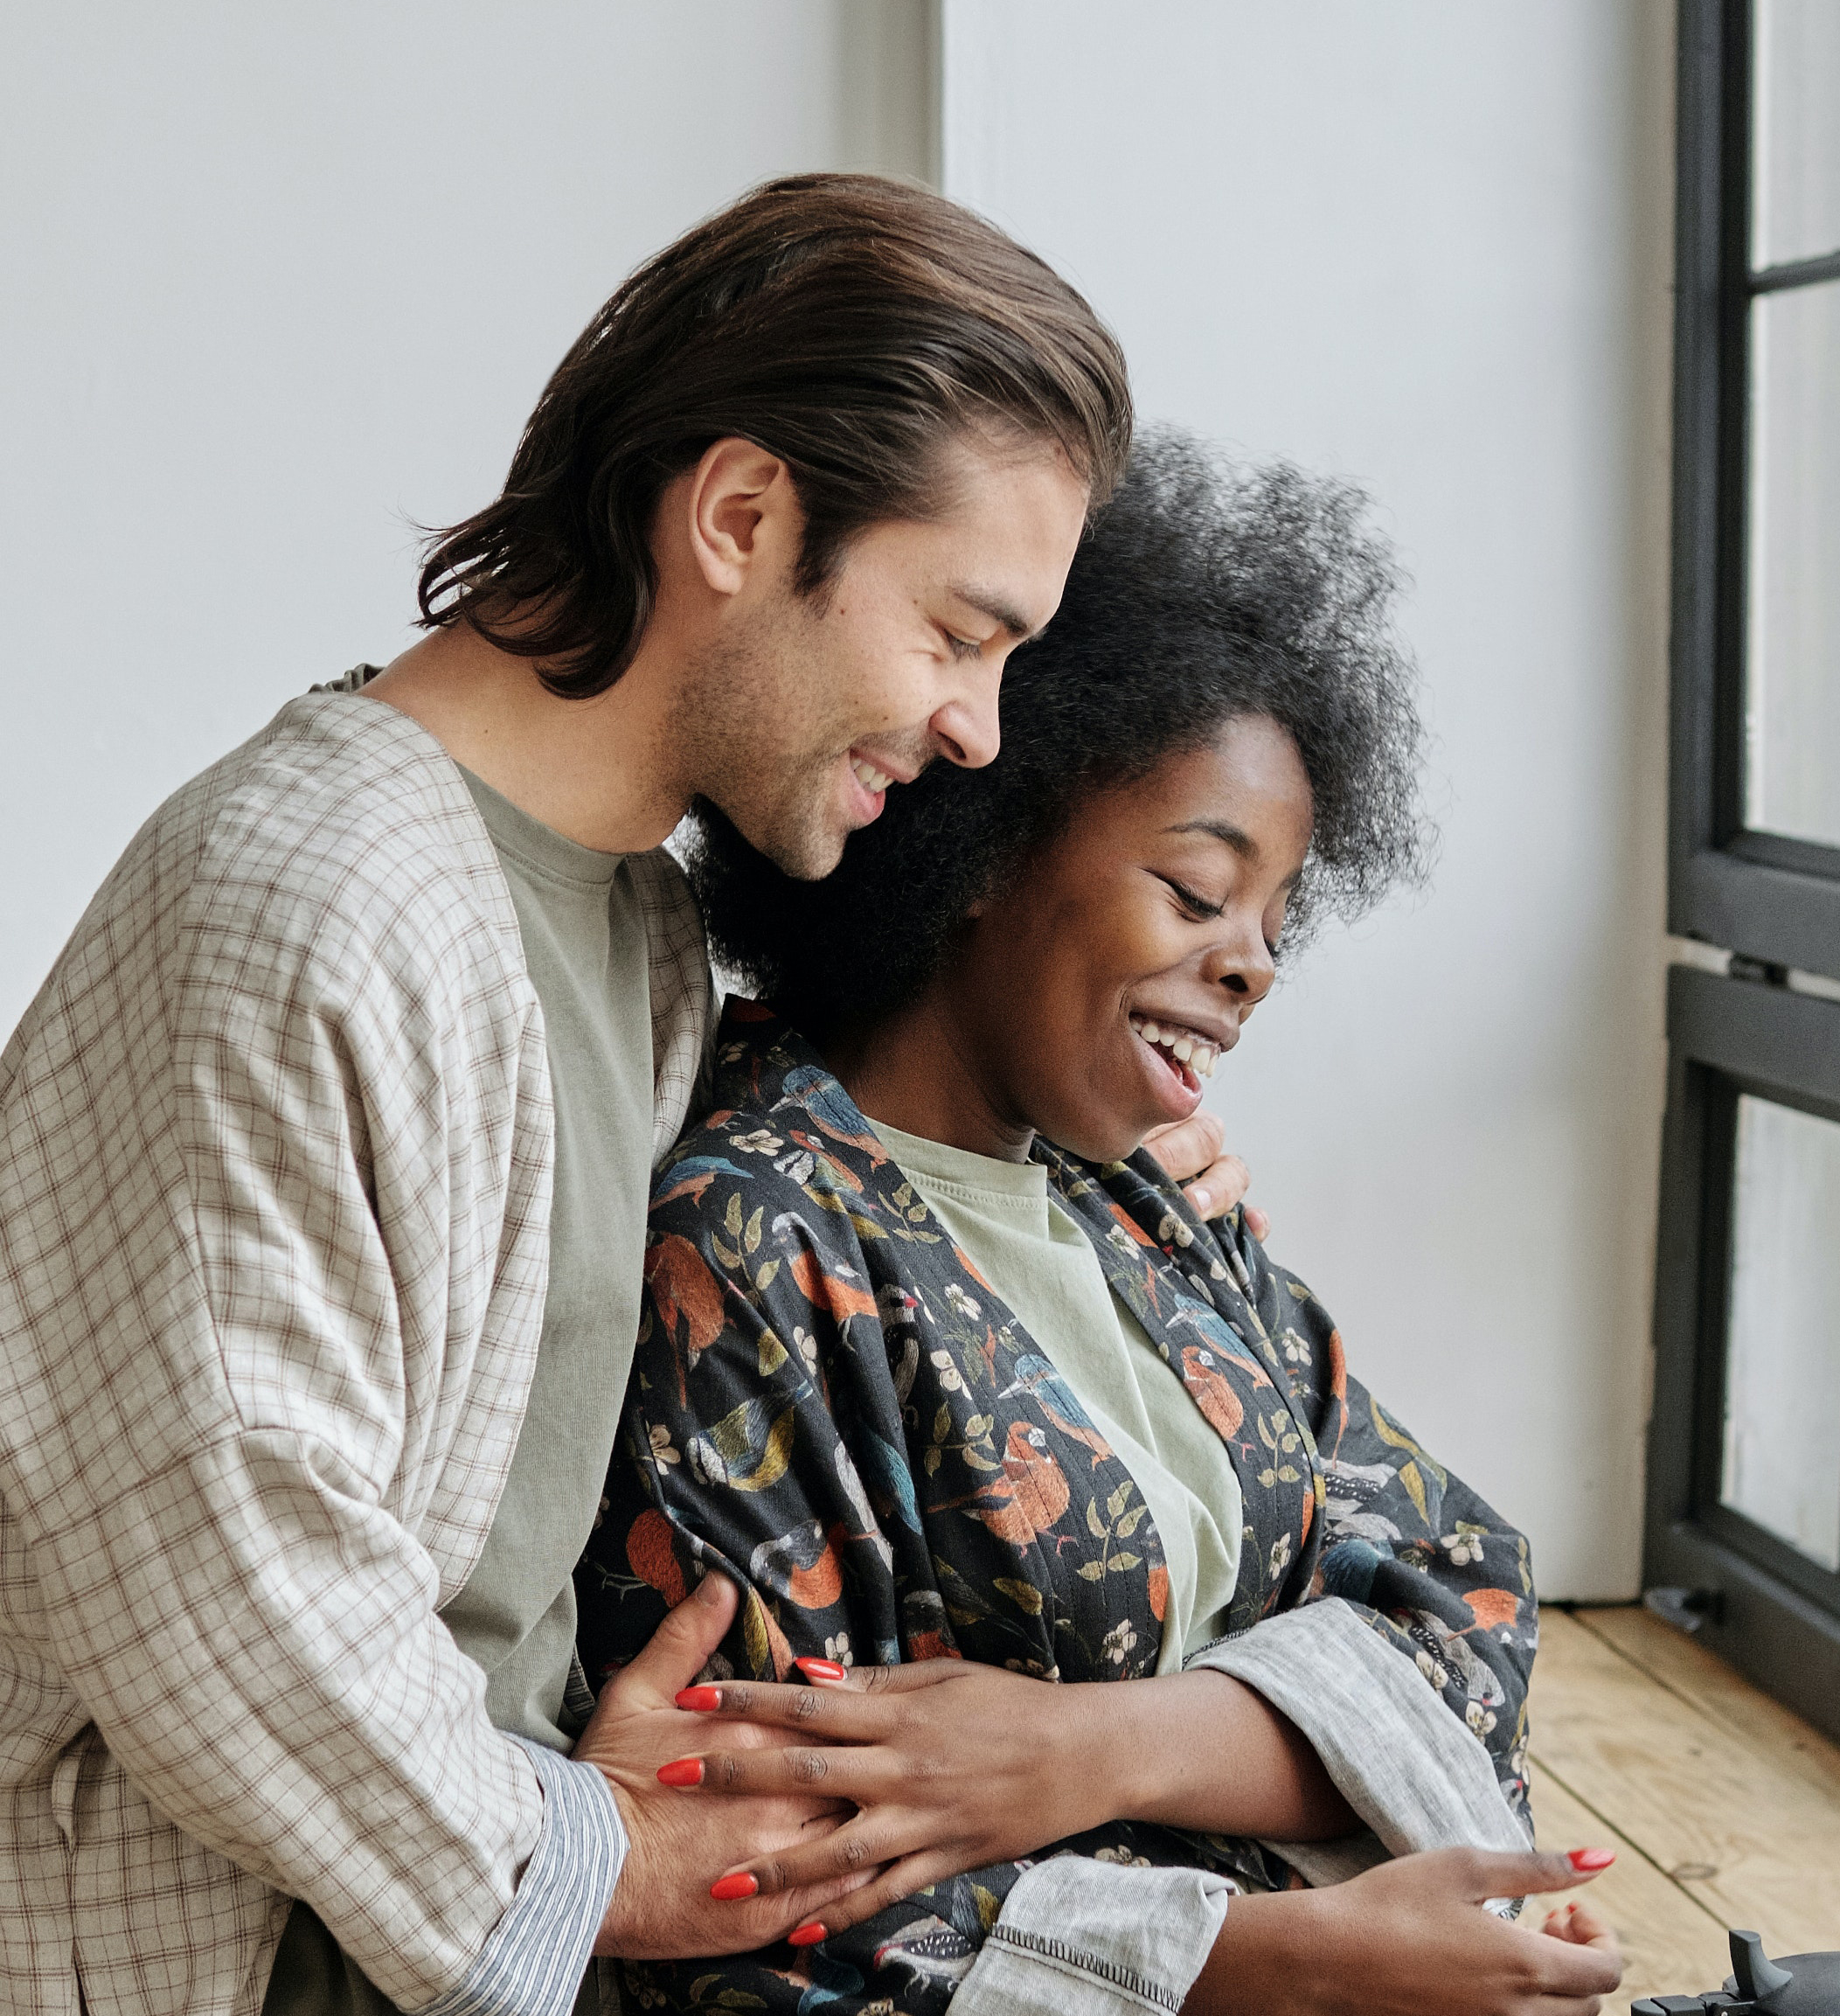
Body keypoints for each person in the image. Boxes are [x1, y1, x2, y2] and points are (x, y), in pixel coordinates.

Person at [0, 175, 1260, 2016]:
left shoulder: (624, 917)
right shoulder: (309, 893)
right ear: (738, 515)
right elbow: (230, 1573)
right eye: (957, 635)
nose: (978, 727)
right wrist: (606, 1861)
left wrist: (1084, 1170)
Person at [572, 434, 1628, 2016]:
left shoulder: (1154, 1199)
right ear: (984, 848)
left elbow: (1466, 1591)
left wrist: (1089, 1750)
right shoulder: (751, 1239)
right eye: (1199, 893)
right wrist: (1274, 1964)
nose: (1255, 965)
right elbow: (739, 1865)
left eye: (1276, 921)